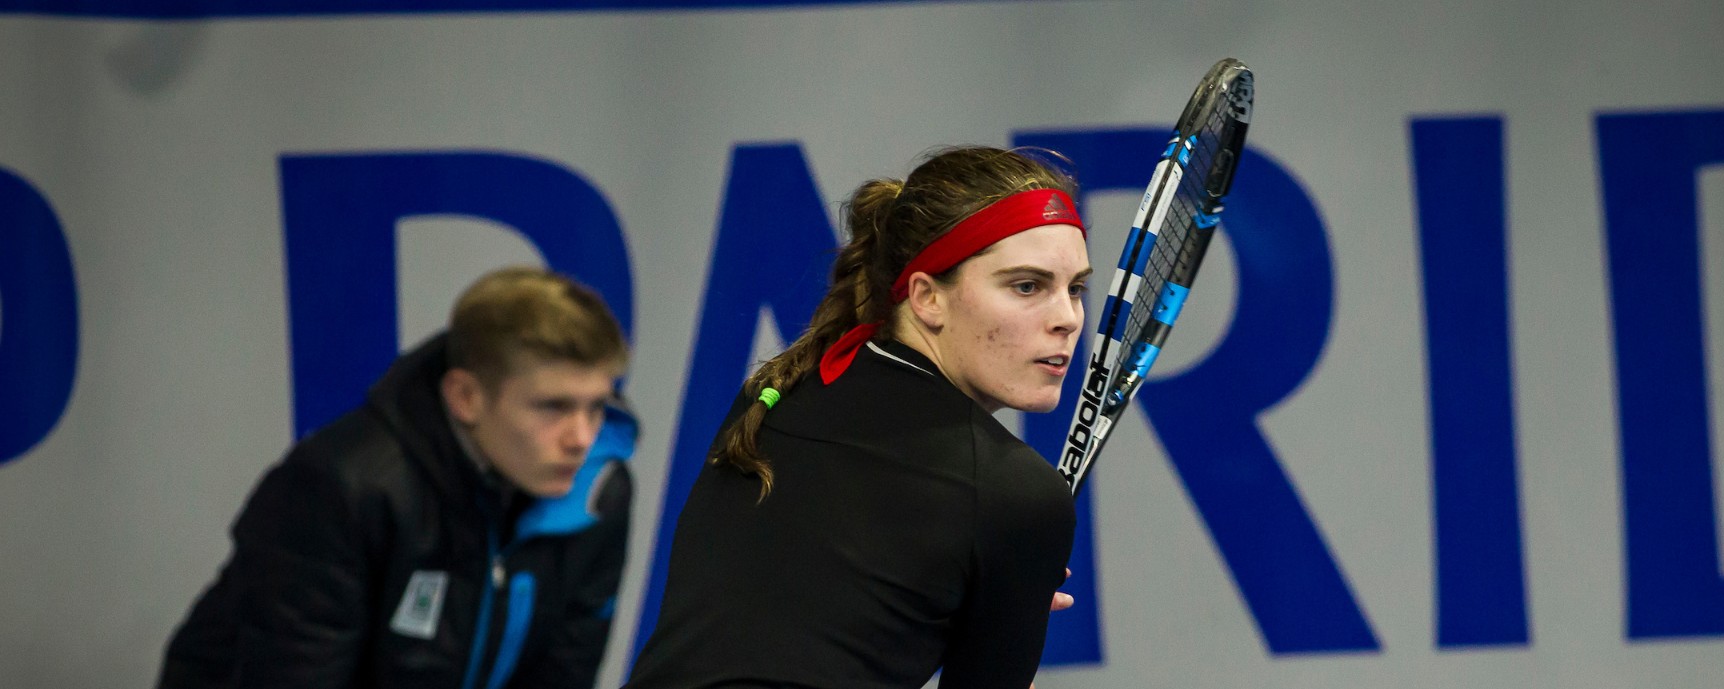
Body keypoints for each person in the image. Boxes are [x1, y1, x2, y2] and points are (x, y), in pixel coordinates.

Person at [626, 146, 1088, 689]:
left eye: (1075, 288)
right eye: (1027, 286)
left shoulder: (775, 392)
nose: (1066, 318)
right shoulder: (1015, 492)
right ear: (926, 298)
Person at [157, 266, 638, 689]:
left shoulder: (598, 494)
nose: (581, 438)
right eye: (552, 406)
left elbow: (563, 675)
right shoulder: (339, 487)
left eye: (596, 407)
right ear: (466, 397)